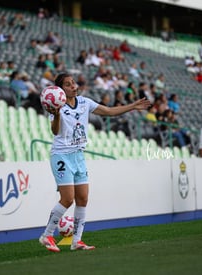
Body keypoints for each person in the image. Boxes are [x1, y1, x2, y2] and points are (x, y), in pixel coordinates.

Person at [38, 73, 150, 252]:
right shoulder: (56, 106)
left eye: (73, 82)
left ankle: (77, 241)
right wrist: (57, 114)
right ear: (60, 90)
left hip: (78, 155)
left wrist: (133, 106)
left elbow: (109, 111)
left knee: (82, 198)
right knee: (67, 199)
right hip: (61, 156)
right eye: (68, 84)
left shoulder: (84, 102)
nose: (73, 86)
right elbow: (55, 131)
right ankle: (47, 235)